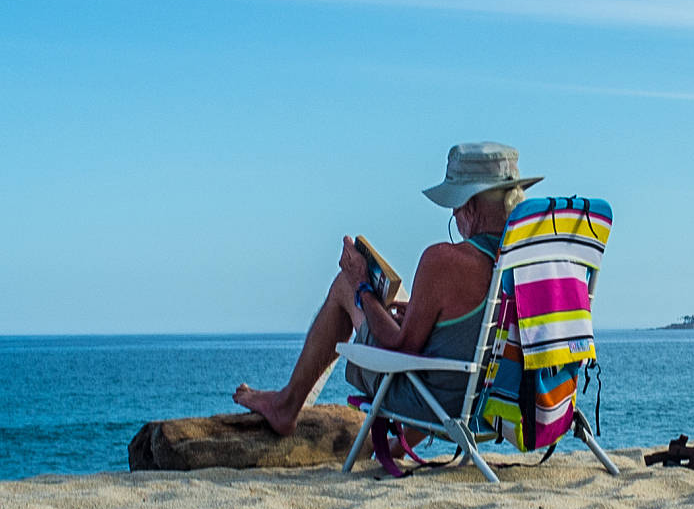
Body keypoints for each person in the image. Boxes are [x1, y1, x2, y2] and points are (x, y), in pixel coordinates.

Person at [232, 142, 542, 436]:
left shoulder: (445, 260)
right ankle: (395, 443)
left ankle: (287, 406)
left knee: (344, 286)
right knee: (407, 311)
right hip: (508, 401)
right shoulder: (535, 260)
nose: (454, 216)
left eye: (455, 208)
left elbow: (400, 347)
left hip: (442, 403)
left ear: (469, 205)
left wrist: (362, 284)